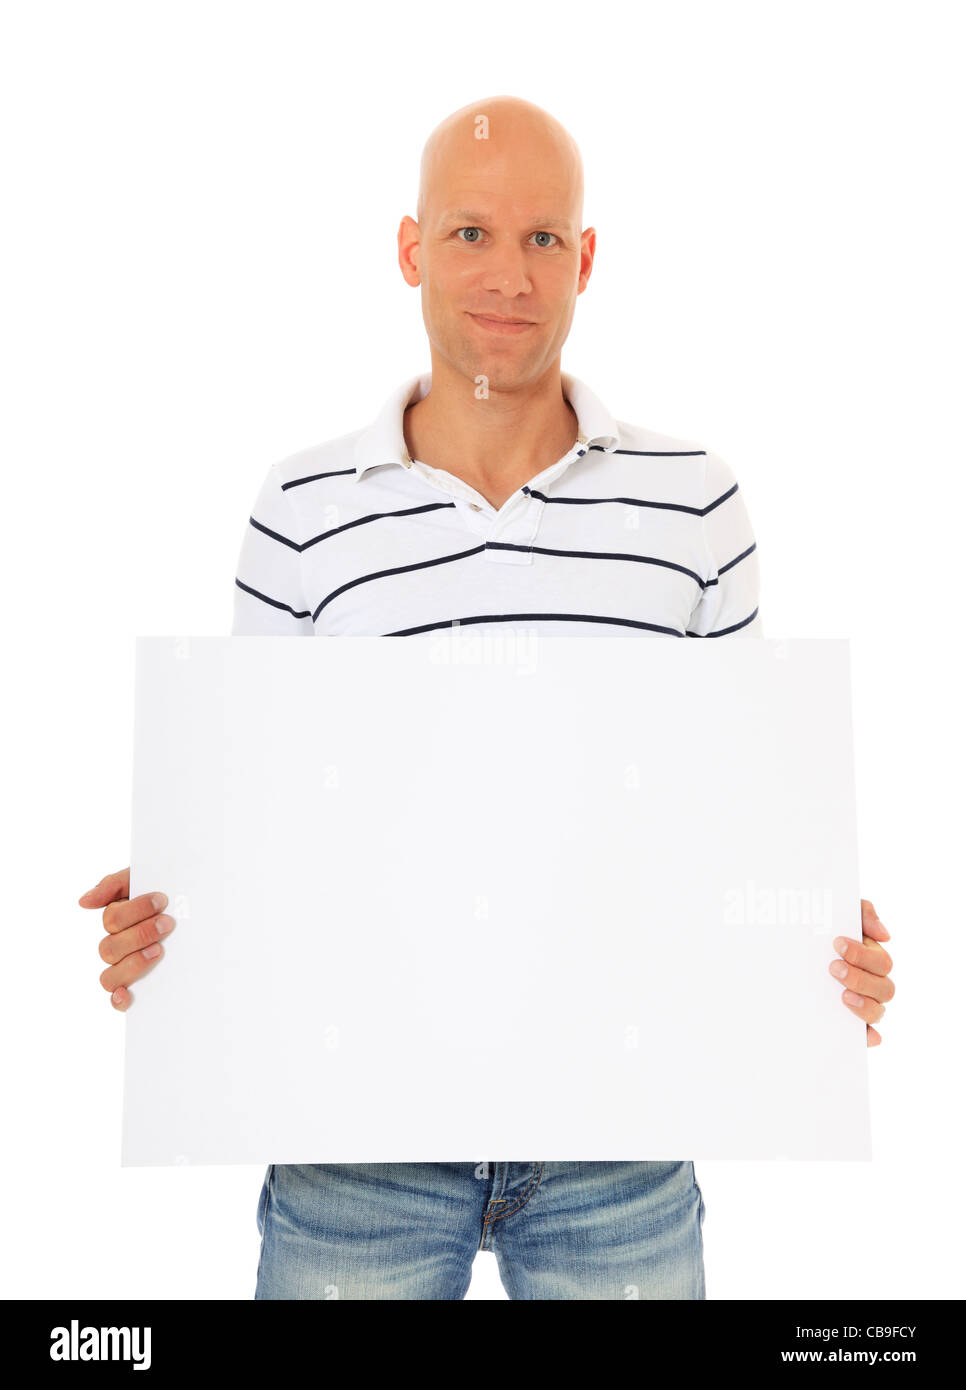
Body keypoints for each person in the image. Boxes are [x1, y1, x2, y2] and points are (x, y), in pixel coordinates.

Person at [78, 95, 895, 1300]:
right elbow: (258, 813)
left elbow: (738, 803)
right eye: (469, 233)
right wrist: (177, 925)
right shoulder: (300, 508)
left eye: (543, 238)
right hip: (355, 1146)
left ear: (587, 260)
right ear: (410, 250)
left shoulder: (697, 504)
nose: (507, 274)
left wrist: (812, 951)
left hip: (618, 1142)